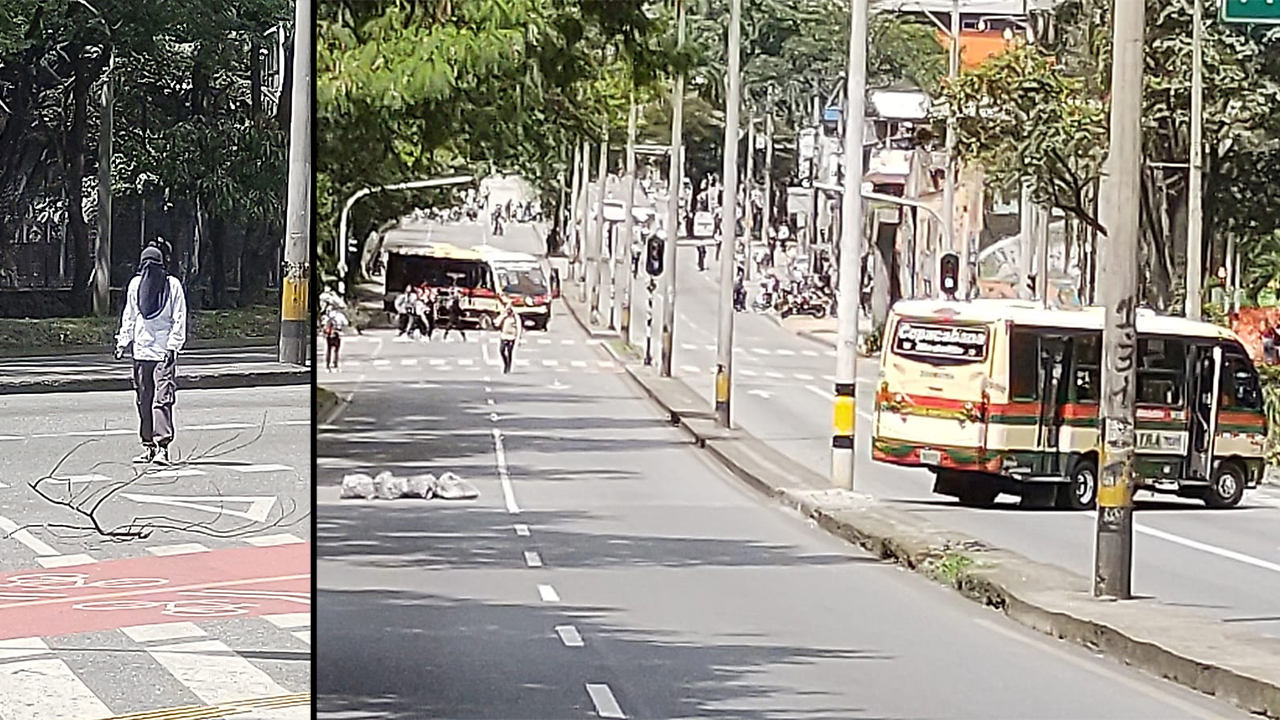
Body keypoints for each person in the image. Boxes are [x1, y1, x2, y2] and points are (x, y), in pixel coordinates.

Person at [115, 246, 187, 466]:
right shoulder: (136, 285)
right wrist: (122, 342)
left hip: (164, 352)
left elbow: (179, 317)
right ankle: (148, 445)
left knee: (162, 399)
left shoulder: (172, 285)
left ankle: (163, 447)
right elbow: (130, 315)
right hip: (141, 351)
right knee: (143, 399)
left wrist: (173, 346)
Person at [498, 300, 522, 374]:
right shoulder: (504, 316)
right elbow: (497, 323)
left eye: (509, 310)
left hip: (512, 337)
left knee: (509, 352)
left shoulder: (516, 317)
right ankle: (505, 363)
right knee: (501, 350)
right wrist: (503, 316)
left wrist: (518, 338)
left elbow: (519, 327)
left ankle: (508, 367)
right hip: (504, 336)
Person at [322, 307, 348, 371]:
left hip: (329, 334)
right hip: (337, 333)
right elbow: (346, 323)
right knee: (336, 351)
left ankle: (327, 366)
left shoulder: (327, 315)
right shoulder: (340, 315)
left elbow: (323, 324)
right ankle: (335, 365)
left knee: (328, 350)